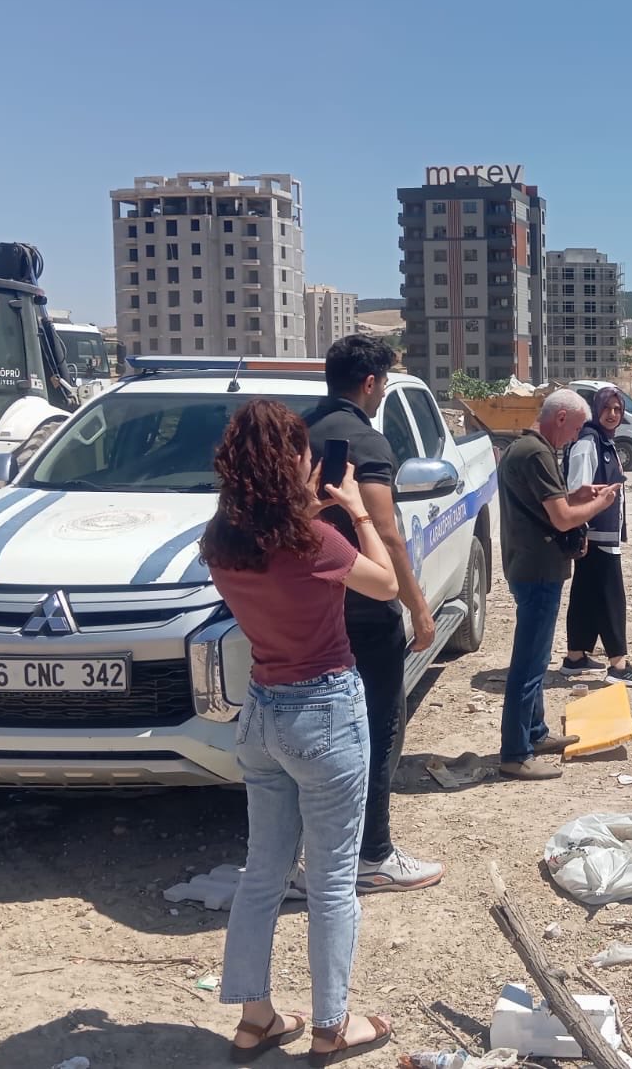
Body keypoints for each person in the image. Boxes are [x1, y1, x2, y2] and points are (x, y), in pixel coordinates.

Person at [201, 399, 399, 1065]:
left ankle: (256, 1019)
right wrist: (356, 511)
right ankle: (331, 1025)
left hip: (261, 712)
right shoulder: (319, 540)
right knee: (333, 881)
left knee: (263, 873)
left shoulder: (220, 541)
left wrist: (307, 511)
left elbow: (273, 555)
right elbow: (388, 584)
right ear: (294, 461)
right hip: (325, 712)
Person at [304, 333, 443, 893]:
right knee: (379, 728)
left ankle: (313, 851)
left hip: (306, 607)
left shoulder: (299, 433)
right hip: (364, 607)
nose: (382, 390)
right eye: (383, 382)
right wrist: (417, 606)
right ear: (370, 383)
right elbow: (386, 531)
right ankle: (373, 853)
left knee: (313, 736)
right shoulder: (367, 441)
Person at [497, 388, 622, 780]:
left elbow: (549, 503)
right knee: (529, 664)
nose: (574, 438)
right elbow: (563, 518)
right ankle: (515, 752)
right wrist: (599, 504)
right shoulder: (536, 453)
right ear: (562, 418)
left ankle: (534, 733)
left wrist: (578, 494)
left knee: (536, 658)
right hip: (537, 569)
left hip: (532, 564)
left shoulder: (529, 449)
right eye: (575, 428)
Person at [560, 385, 632, 688]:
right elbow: (576, 489)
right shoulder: (588, 441)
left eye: (617, 409)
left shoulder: (604, 441)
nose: (612, 414)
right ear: (596, 410)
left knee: (585, 595)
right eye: (607, 408)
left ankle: (575, 657)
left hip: (600, 533)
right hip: (594, 534)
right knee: (611, 597)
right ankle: (618, 664)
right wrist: (579, 530)